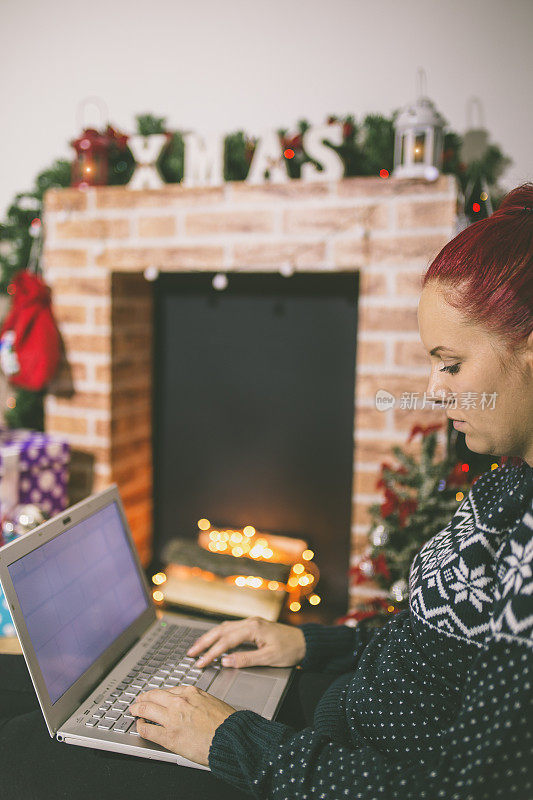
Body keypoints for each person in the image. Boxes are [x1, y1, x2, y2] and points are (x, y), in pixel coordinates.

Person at [1, 183, 532, 800]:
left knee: (20, 746)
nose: (434, 391)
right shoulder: (514, 480)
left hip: (303, 773)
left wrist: (230, 738)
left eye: (451, 363)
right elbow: (433, 646)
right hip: (324, 731)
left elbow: (468, 791)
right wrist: (309, 641)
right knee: (19, 683)